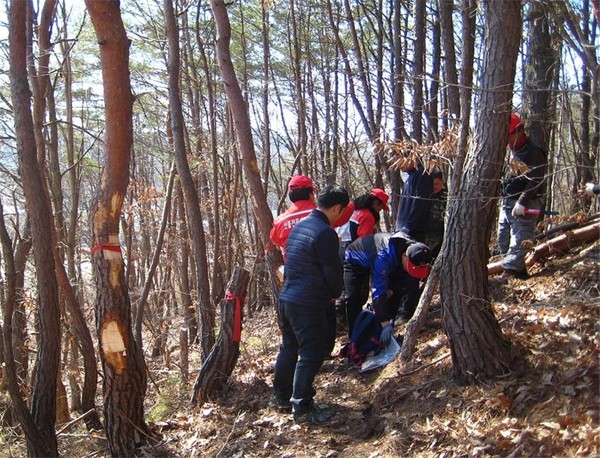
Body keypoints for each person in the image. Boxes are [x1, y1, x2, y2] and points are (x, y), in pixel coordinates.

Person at [272, 185, 350, 424]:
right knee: (311, 353)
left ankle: (282, 397)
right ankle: (302, 407)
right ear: (336, 208)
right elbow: (332, 271)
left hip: (287, 298)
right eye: (341, 211)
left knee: (289, 347)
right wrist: (335, 293)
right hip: (308, 302)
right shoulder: (325, 232)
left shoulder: (300, 227)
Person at [342, 231, 432, 338]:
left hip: (388, 263)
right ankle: (354, 337)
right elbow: (378, 291)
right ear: (404, 256)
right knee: (353, 298)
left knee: (396, 292)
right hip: (355, 260)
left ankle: (385, 334)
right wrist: (384, 323)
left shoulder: (416, 251)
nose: (410, 271)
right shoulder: (383, 257)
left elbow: (401, 286)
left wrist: (392, 292)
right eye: (410, 267)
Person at [496, 113, 547, 279]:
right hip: (507, 202)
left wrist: (522, 202)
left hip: (526, 203)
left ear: (518, 132)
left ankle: (509, 276)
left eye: (508, 135)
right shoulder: (511, 151)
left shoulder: (533, 152)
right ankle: (520, 274)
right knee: (503, 240)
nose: (506, 140)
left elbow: (536, 180)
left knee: (519, 241)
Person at [336, 188, 390, 261]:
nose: (380, 209)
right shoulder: (368, 217)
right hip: (352, 251)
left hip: (340, 246)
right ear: (375, 203)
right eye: (381, 206)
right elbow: (364, 242)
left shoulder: (356, 209)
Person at [270, 175, 317, 253]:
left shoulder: (279, 221)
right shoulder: (323, 213)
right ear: (310, 194)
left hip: (292, 264)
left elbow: (275, 241)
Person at [394, 157, 434, 242]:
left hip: (412, 233)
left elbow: (420, 203)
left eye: (399, 158)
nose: (397, 163)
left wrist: (407, 228)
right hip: (402, 231)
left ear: (411, 156)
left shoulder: (422, 174)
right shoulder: (410, 177)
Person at [424, 170, 447, 260]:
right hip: (426, 237)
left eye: (437, 184)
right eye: (432, 184)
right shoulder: (427, 195)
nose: (434, 187)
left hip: (440, 238)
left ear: (442, 181)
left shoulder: (447, 196)